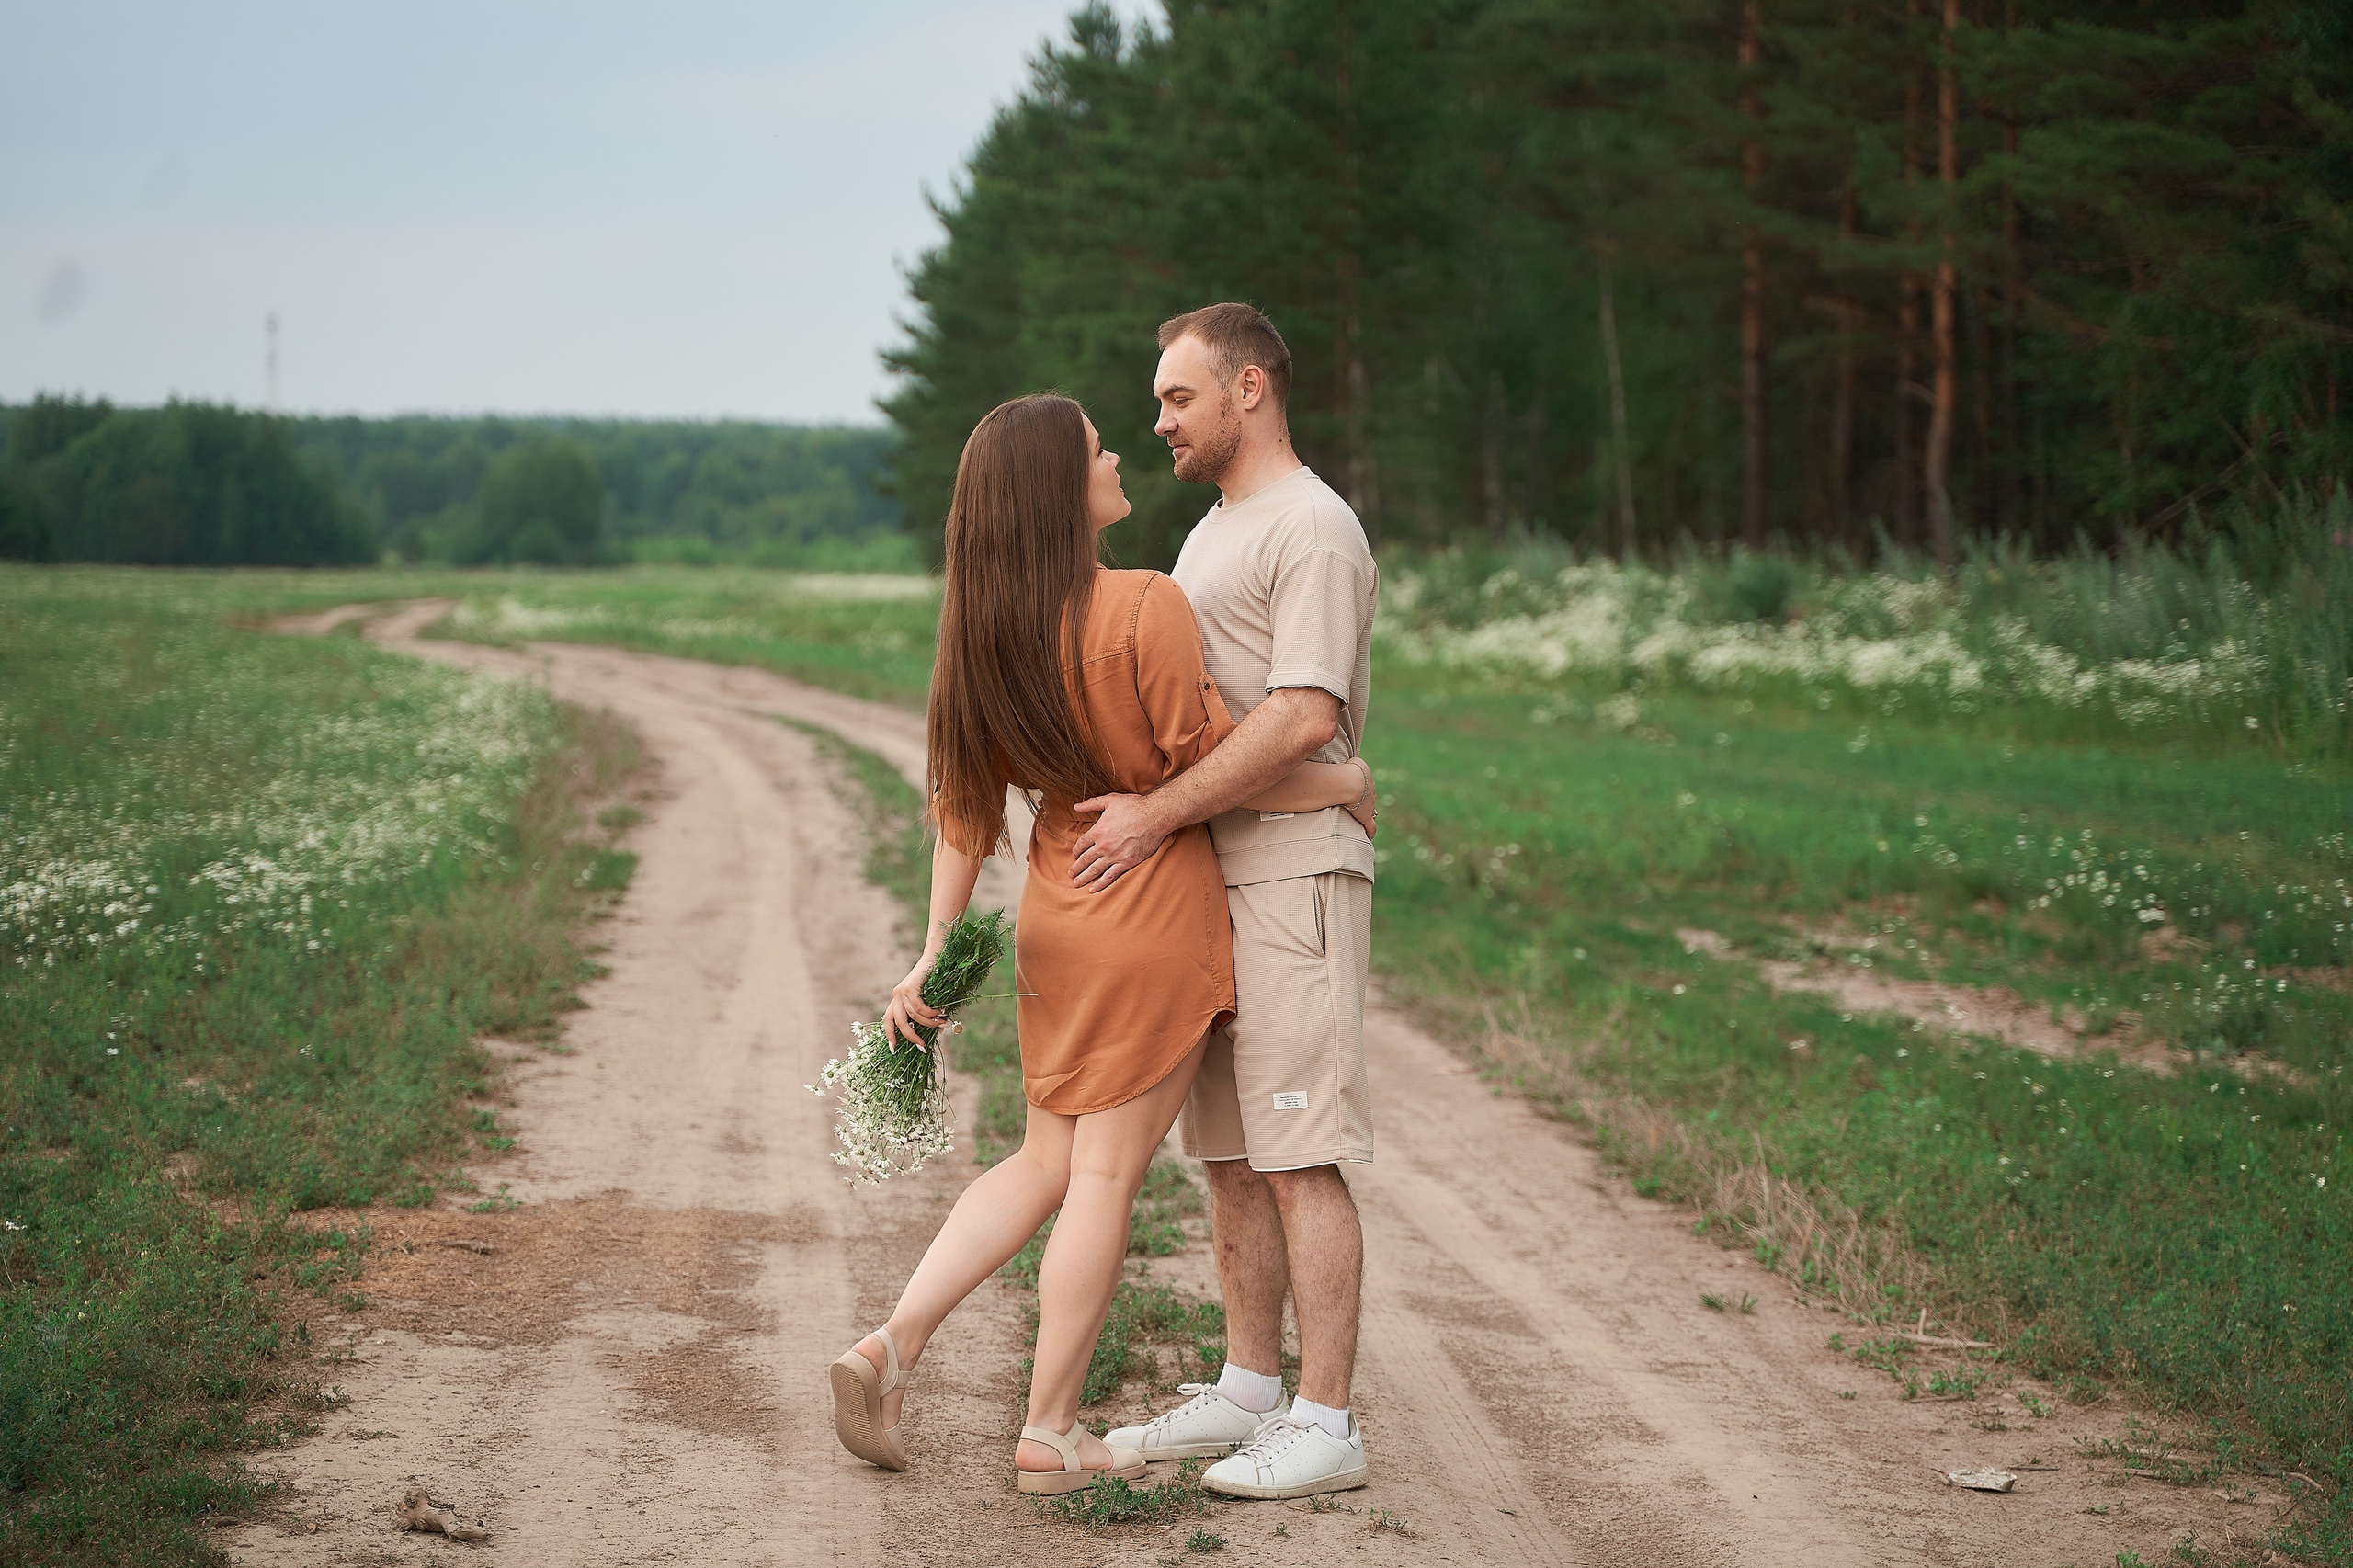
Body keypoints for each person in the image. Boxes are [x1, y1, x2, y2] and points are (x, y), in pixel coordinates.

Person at [827, 392, 1374, 1494]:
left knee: (1042, 1159)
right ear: (1055, 491)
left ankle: (893, 1342)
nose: (1118, 451)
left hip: (1057, 914)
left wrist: (934, 944)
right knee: (1105, 1176)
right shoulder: (1140, 604)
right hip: (1148, 907)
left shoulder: (987, 633)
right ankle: (1050, 1427)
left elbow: (961, 803)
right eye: (1093, 449)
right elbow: (1209, 761)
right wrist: (1343, 776)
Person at [1075, 303, 1381, 1501]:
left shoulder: (1311, 528)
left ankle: (1328, 1419)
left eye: (1178, 398)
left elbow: (1305, 711)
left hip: (1296, 869)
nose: (1158, 420)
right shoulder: (1217, 527)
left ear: (1249, 390)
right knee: (1238, 1155)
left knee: (1304, 1150)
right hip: (1220, 878)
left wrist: (1154, 813)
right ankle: (1251, 1388)